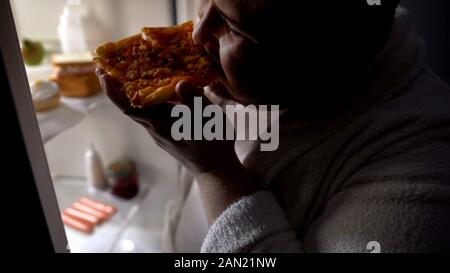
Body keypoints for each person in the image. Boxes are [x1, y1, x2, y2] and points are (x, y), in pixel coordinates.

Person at [96, 0, 450, 252]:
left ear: (320, 52)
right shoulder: (264, 71)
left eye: (233, 26)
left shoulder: (424, 173)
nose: (197, 34)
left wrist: (215, 171)